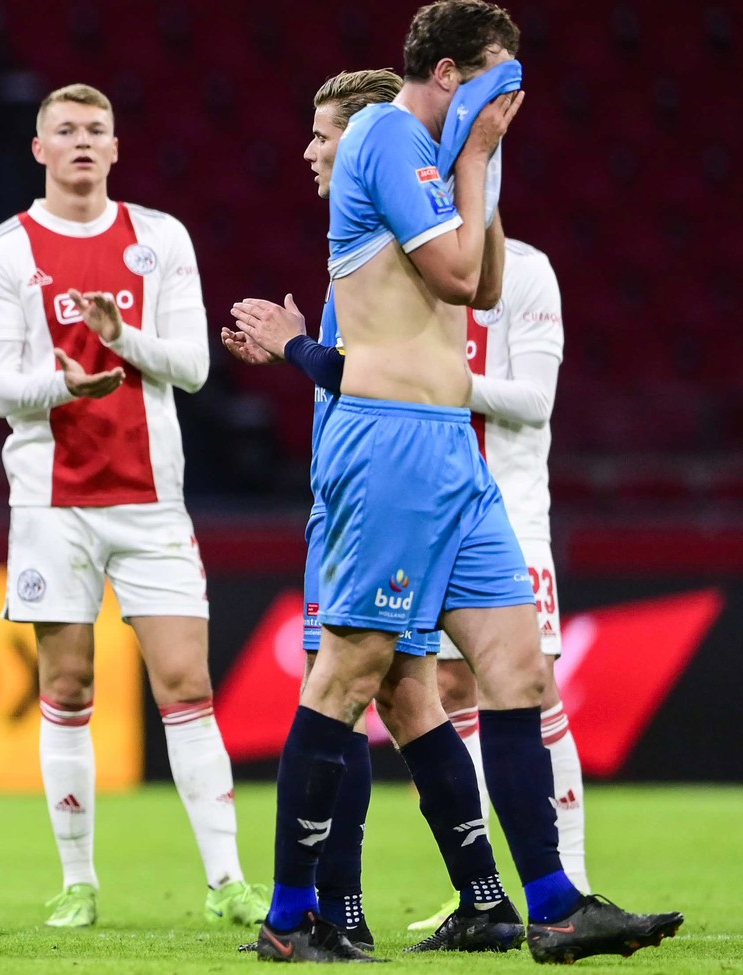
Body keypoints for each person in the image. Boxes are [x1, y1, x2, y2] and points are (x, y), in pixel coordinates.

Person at [254, 1, 681, 963]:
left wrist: (480, 158)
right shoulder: (381, 133)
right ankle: (290, 917)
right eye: (501, 76)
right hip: (393, 445)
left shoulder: (441, 158)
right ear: (448, 73)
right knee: (350, 676)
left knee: (519, 667)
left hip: (454, 451)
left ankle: (555, 905)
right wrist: (475, 154)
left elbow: (485, 287)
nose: (514, 96)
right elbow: (452, 275)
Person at [0, 83, 267, 930]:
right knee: (66, 684)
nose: (82, 142)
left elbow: (197, 366)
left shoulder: (159, 237)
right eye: (65, 130)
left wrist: (121, 340)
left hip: (151, 502)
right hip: (52, 504)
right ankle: (78, 880)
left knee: (186, 683)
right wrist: (62, 383)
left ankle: (227, 880)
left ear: (115, 146)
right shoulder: (3, 250)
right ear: (39, 149)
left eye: (96, 130)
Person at [223, 68, 414, 953]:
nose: (307, 149)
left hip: (374, 498)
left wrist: (293, 345)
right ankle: (341, 908)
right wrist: (304, 346)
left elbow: (367, 374)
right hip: (354, 494)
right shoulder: (364, 245)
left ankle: (314, 909)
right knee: (365, 703)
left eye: (324, 133)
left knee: (340, 701)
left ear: (366, 141)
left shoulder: (384, 245)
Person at [405, 238, 587, 932]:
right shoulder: (403, 263)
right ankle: (479, 888)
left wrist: (442, 380)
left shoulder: (529, 269)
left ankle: (570, 877)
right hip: (428, 510)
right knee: (449, 690)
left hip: (509, 509)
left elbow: (536, 401)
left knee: (533, 682)